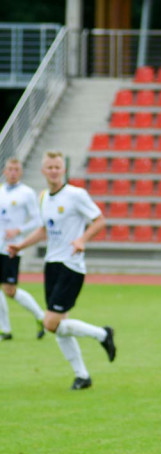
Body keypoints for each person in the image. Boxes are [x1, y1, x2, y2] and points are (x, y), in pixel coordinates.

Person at [6, 152, 116, 389]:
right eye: (50, 167)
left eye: (57, 167)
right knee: (59, 326)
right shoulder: (43, 196)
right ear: (43, 171)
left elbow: (100, 220)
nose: (54, 171)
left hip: (71, 266)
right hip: (52, 265)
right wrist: (21, 245)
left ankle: (103, 334)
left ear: (62, 170)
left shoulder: (76, 195)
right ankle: (82, 376)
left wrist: (82, 240)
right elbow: (44, 230)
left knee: (50, 323)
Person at [0, 158, 46, 340]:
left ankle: (41, 317)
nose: (12, 172)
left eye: (16, 169)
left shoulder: (26, 193)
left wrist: (19, 230)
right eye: (10, 169)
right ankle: (5, 329)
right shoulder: (1, 191)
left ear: (20, 172)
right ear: (4, 171)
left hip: (13, 248)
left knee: (10, 290)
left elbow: (37, 221)